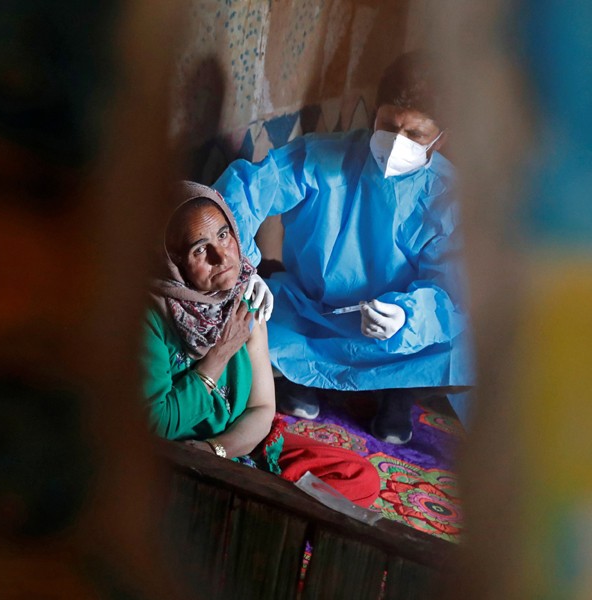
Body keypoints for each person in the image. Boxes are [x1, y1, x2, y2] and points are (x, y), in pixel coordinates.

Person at [212, 51, 473, 444]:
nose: (397, 144)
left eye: (415, 135)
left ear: (441, 139)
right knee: (245, 311)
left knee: (467, 337)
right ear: (374, 115)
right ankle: (303, 379)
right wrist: (243, 264)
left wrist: (407, 319)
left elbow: (453, 290)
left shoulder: (449, 199)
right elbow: (246, 192)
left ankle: (395, 394)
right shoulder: (322, 158)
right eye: (388, 126)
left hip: (394, 335)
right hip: (311, 313)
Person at [141, 181, 379, 507]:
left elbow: (261, 409)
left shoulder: (242, 299)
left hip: (233, 445)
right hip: (173, 453)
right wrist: (221, 353)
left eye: (224, 235)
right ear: (173, 261)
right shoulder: (149, 317)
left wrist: (217, 451)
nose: (221, 256)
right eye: (199, 249)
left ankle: (250, 500)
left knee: (358, 477)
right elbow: (160, 424)